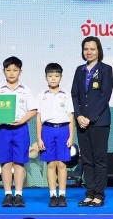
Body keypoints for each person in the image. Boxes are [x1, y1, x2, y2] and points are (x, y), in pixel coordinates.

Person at [0, 56, 37, 207]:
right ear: (4, 71)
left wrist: (21, 121)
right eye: (8, 70)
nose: (11, 73)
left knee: (19, 162)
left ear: (20, 71)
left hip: (20, 129)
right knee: (6, 162)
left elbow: (33, 110)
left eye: (15, 70)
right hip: (2, 130)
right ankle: (8, 194)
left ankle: (19, 195)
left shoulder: (26, 90)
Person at [71, 36, 113, 207]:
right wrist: (79, 116)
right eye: (86, 49)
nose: (89, 52)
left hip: (99, 122)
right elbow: (74, 95)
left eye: (92, 49)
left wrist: (90, 117)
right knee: (86, 160)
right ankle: (89, 194)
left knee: (99, 160)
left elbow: (105, 96)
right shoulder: (79, 70)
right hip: (81, 121)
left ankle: (99, 195)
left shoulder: (106, 69)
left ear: (98, 50)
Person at [37, 62, 75, 207]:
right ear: (45, 77)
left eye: (56, 76)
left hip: (63, 130)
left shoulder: (66, 95)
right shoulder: (41, 95)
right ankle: (53, 195)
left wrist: (71, 136)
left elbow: (71, 116)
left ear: (61, 77)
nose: (53, 78)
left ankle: (62, 195)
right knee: (51, 164)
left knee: (62, 164)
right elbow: (38, 118)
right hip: (47, 130)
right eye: (50, 76)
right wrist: (39, 138)